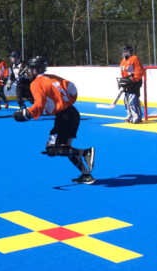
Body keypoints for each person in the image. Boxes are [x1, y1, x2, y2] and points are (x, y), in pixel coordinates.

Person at [13, 56, 96, 185]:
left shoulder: (36, 83)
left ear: (37, 69)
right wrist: (66, 103)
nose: (28, 71)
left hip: (63, 118)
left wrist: (26, 113)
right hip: (72, 113)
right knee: (66, 148)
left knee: (51, 148)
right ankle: (86, 175)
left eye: (31, 69)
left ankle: (86, 152)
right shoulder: (53, 77)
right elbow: (72, 88)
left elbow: (39, 106)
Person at [118, 45, 145, 124]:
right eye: (123, 51)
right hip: (127, 81)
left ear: (129, 52)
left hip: (135, 81)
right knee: (126, 99)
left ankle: (137, 116)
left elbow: (139, 70)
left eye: (125, 51)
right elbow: (123, 72)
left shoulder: (134, 58)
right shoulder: (123, 60)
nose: (124, 53)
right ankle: (130, 114)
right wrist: (123, 80)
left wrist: (135, 79)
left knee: (132, 98)